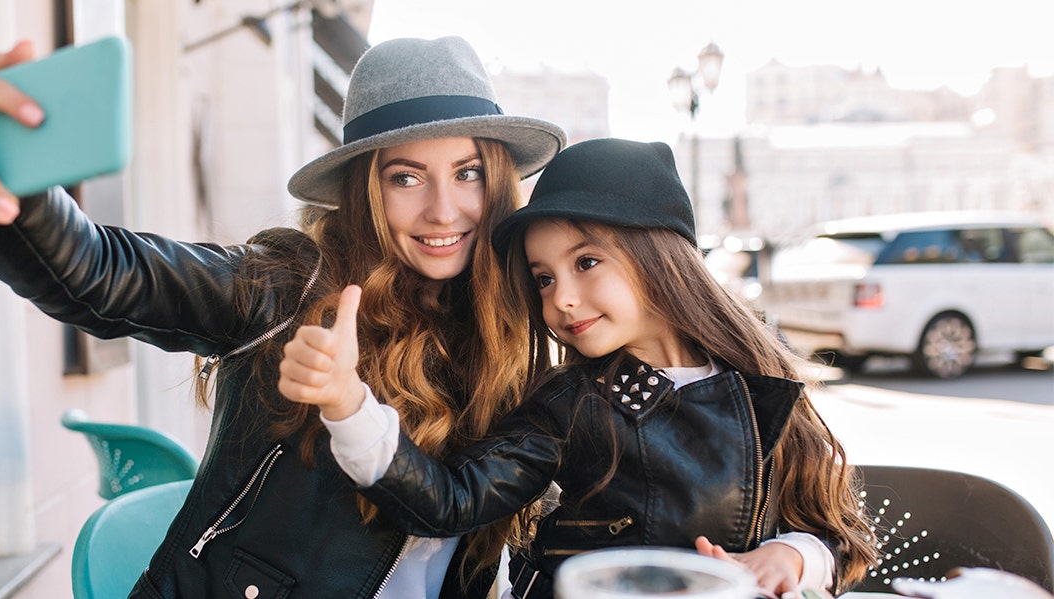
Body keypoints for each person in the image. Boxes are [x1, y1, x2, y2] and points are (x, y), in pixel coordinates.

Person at [0, 35, 566, 598]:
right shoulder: (287, 288)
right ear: (366, 187)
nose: (445, 210)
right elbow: (98, 274)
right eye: (407, 176)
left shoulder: (521, 333)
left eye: (468, 172)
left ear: (498, 179)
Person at [280, 138, 880, 599]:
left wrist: (793, 556)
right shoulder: (570, 405)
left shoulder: (763, 387)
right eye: (544, 278)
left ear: (660, 258)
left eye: (586, 261)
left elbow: (841, 533)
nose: (561, 298)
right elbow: (450, 500)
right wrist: (347, 406)